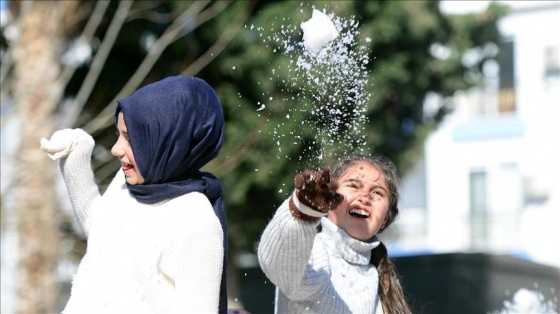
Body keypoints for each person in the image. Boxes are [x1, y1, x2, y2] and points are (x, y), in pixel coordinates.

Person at [40, 76, 228, 313]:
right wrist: (76, 153)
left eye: (130, 138)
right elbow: (101, 233)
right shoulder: (128, 184)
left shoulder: (196, 221)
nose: (115, 149)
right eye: (118, 135)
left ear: (167, 139)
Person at [257, 154, 412, 314]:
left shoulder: (377, 277)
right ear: (329, 198)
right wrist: (302, 211)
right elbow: (280, 265)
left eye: (377, 193)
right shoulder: (315, 251)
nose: (365, 197)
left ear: (386, 218)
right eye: (353, 186)